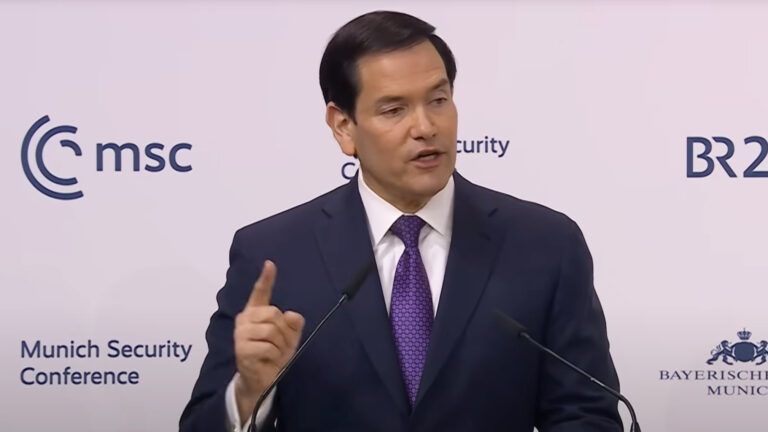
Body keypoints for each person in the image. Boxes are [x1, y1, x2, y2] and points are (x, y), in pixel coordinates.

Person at [180, 10, 622, 432]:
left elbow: (586, 415)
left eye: (438, 100)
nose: (426, 126)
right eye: (394, 110)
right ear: (343, 126)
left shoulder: (545, 245)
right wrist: (248, 394)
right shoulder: (274, 255)